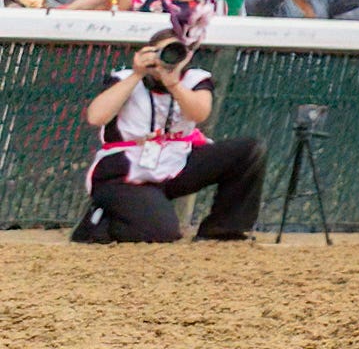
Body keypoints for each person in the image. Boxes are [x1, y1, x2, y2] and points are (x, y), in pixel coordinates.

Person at [74, 26, 263, 242]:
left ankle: (223, 229)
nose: (167, 60)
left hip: (176, 160)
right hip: (126, 171)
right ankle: (98, 223)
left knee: (249, 151)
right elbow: (96, 117)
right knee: (163, 233)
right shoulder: (124, 78)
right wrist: (138, 74)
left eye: (176, 53)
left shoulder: (194, 80)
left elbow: (199, 113)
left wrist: (173, 83)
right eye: (161, 52)